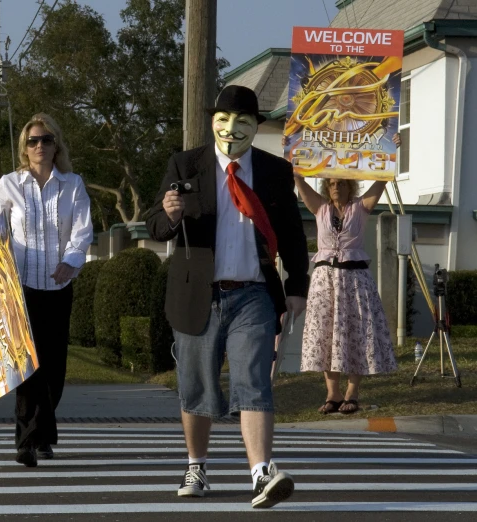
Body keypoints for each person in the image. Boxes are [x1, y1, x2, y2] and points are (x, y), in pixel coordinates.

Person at [146, 85, 309, 508]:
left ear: (256, 126)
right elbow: (155, 226)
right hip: (197, 292)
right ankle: (197, 465)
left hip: (253, 293)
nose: (231, 129)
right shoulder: (187, 164)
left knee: (253, 379)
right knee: (197, 384)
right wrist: (168, 212)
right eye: (223, 119)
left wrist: (296, 288)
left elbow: (291, 233)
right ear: (212, 121)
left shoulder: (275, 171)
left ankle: (261, 473)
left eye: (242, 122)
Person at [0, 113, 93, 468]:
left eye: (46, 140)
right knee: (27, 367)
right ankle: (26, 442)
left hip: (59, 284)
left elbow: (82, 232)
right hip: (20, 289)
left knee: (54, 369)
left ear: (57, 146)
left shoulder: (73, 185)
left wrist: (71, 260)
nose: (39, 146)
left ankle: (43, 433)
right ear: (25, 148)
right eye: (33, 141)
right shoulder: (10, 183)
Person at [294, 148, 398, 414]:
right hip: (325, 279)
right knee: (326, 334)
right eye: (331, 183)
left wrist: (392, 148)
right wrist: (292, 152)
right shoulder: (320, 208)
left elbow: (383, 178)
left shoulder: (361, 208)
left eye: (340, 183)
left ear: (350, 185)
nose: (336, 187)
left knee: (356, 333)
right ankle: (333, 394)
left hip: (355, 280)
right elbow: (299, 179)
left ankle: (352, 393)